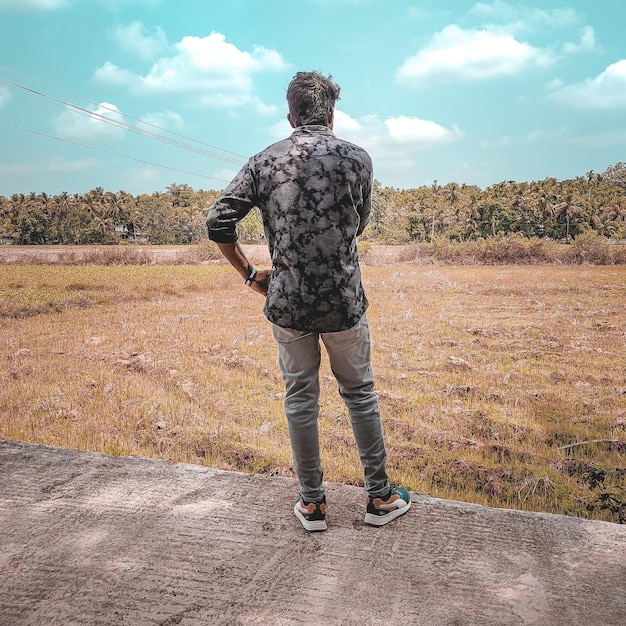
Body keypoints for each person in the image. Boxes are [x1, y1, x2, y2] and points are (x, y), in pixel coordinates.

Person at [206, 71, 410, 531]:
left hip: (289, 301)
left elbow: (219, 222)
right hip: (343, 300)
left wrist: (251, 275)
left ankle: (313, 504)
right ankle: (379, 498)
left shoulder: (264, 161)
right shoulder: (358, 158)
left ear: (290, 114)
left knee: (300, 397)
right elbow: (358, 224)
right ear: (332, 113)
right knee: (360, 394)